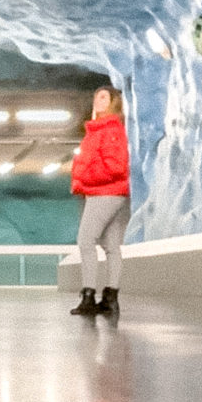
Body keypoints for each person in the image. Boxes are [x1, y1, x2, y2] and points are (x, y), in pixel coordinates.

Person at [69, 85, 131, 317]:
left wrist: (86, 176)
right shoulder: (102, 130)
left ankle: (88, 296)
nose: (98, 100)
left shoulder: (109, 130)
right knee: (111, 247)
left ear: (114, 102)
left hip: (103, 193)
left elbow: (116, 166)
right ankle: (110, 298)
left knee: (86, 241)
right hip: (112, 194)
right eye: (96, 96)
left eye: (104, 97)